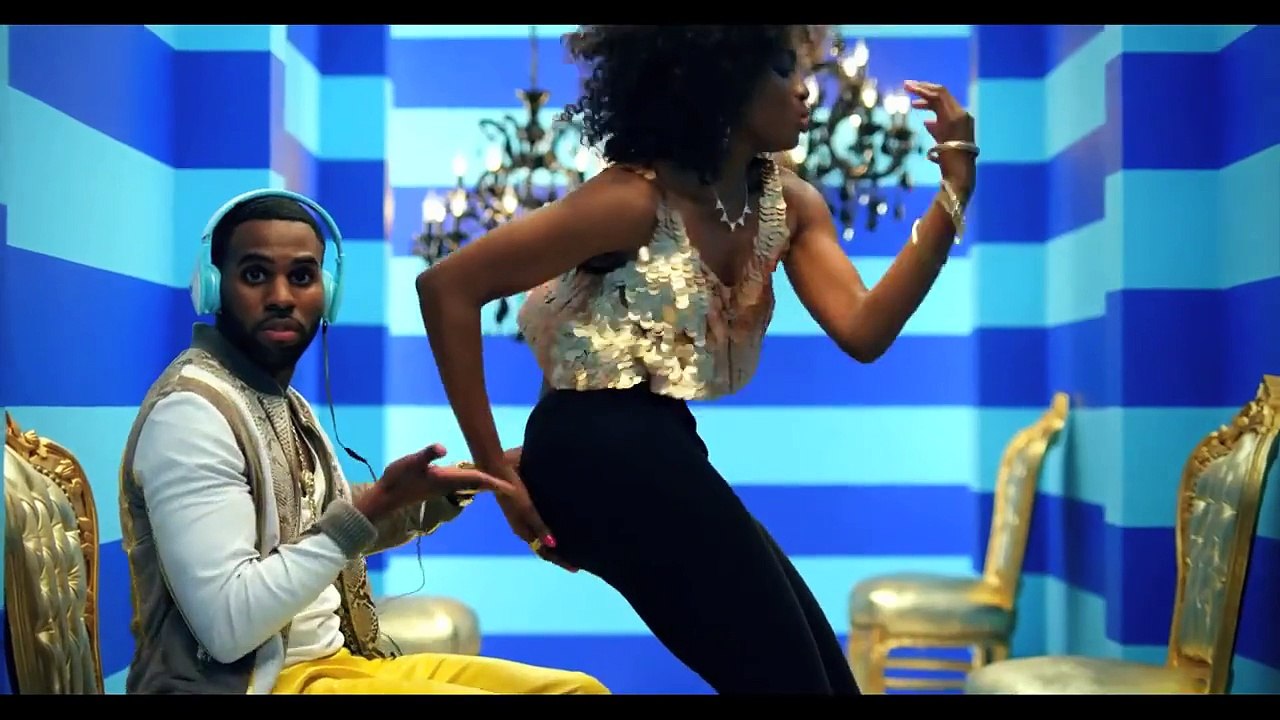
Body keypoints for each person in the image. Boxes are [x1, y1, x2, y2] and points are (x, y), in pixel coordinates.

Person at [415, 25, 977, 695]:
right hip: (592, 449)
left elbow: (864, 331)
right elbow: (447, 288)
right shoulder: (633, 200)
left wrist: (952, 194)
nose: (806, 90)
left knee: (824, 680)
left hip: (662, 443)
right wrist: (499, 480)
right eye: (781, 69)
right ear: (721, 82)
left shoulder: (788, 205)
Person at [118, 189, 610, 695]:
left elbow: (312, 523)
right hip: (252, 686)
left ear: (327, 293)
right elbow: (229, 627)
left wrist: (455, 484)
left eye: (302, 277)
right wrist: (376, 504)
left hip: (338, 665)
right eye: (256, 274)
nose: (282, 296)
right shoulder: (191, 415)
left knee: (579, 691)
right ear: (213, 287)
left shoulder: (280, 401)